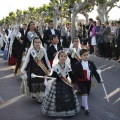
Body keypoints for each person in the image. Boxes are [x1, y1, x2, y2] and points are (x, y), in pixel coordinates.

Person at [42, 50, 80, 117]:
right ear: (58, 58)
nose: (63, 58)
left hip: (66, 84)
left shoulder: (67, 66)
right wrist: (47, 77)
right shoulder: (56, 67)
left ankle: (67, 111)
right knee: (58, 98)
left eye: (65, 56)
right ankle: (58, 112)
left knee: (66, 97)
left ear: (66, 58)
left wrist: (74, 81)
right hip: (57, 84)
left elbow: (71, 74)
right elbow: (53, 76)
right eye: (61, 56)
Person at [21, 37, 51, 103]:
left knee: (41, 82)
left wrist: (48, 68)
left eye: (39, 42)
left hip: (41, 68)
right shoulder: (31, 50)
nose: (37, 43)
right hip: (33, 69)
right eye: (36, 42)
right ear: (33, 43)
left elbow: (46, 60)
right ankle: (36, 95)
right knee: (34, 82)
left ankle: (40, 96)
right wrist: (25, 69)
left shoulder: (43, 50)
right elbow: (27, 61)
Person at [73, 49, 103, 115]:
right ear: (80, 56)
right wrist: (75, 81)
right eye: (84, 55)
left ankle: (83, 105)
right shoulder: (77, 64)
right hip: (80, 81)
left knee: (86, 93)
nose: (86, 56)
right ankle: (86, 108)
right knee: (84, 93)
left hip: (88, 81)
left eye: (87, 55)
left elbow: (95, 72)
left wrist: (99, 79)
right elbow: (74, 73)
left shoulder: (91, 63)